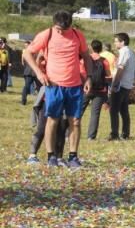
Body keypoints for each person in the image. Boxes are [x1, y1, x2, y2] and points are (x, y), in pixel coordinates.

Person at [22, 11, 95, 168]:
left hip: (74, 86)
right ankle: (51, 157)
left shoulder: (77, 35)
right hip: (54, 85)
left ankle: (73, 157)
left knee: (75, 121)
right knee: (52, 120)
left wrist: (88, 77)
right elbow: (28, 53)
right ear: (53, 24)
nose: (60, 32)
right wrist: (39, 73)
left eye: (64, 29)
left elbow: (86, 56)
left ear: (70, 25)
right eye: (58, 29)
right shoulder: (46, 34)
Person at [27, 85, 70, 165]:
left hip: (66, 99)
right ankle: (32, 155)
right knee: (42, 129)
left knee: (61, 129)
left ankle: (58, 157)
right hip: (49, 99)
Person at [108, 32, 135, 141]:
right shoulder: (131, 52)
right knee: (124, 110)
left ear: (122, 42)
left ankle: (114, 134)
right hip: (127, 85)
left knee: (114, 110)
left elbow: (120, 69)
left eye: (116, 41)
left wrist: (114, 84)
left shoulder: (124, 51)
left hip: (121, 85)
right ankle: (125, 133)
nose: (114, 43)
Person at [82, 40, 111, 140]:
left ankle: (69, 133)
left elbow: (82, 71)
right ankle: (91, 136)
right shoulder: (104, 60)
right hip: (100, 90)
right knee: (95, 114)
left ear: (90, 47)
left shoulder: (86, 59)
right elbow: (108, 74)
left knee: (79, 110)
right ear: (101, 49)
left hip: (86, 88)